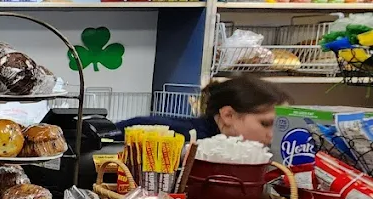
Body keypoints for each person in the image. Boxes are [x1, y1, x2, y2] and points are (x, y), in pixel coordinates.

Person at [121, 76, 289, 145]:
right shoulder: (186, 138)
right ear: (228, 115)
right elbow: (129, 127)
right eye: (266, 124)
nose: (272, 135)